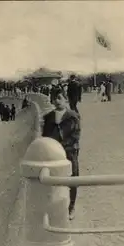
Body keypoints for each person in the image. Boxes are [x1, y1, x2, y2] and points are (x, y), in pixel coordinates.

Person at [42, 93, 81, 221]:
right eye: (54, 98)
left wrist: (60, 146)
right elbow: (45, 136)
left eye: (59, 98)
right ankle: (56, 207)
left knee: (72, 178)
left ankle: (71, 206)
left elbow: (75, 136)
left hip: (70, 152)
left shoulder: (73, 116)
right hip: (54, 153)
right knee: (54, 178)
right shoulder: (49, 117)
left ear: (65, 99)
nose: (57, 101)